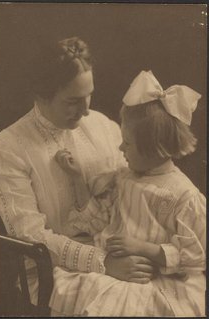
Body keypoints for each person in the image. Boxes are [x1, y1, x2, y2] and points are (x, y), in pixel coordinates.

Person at [0, 37, 154, 307]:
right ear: (42, 94)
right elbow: (32, 237)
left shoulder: (103, 126)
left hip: (119, 252)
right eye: (73, 101)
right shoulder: (8, 149)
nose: (87, 110)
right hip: (53, 272)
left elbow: (130, 194)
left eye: (89, 95)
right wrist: (103, 262)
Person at [50, 70, 206, 317]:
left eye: (128, 143)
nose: (120, 148)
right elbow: (96, 222)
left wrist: (145, 248)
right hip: (116, 271)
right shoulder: (122, 179)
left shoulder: (183, 195)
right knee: (87, 292)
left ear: (155, 148)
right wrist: (78, 180)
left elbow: (195, 256)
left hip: (158, 283)